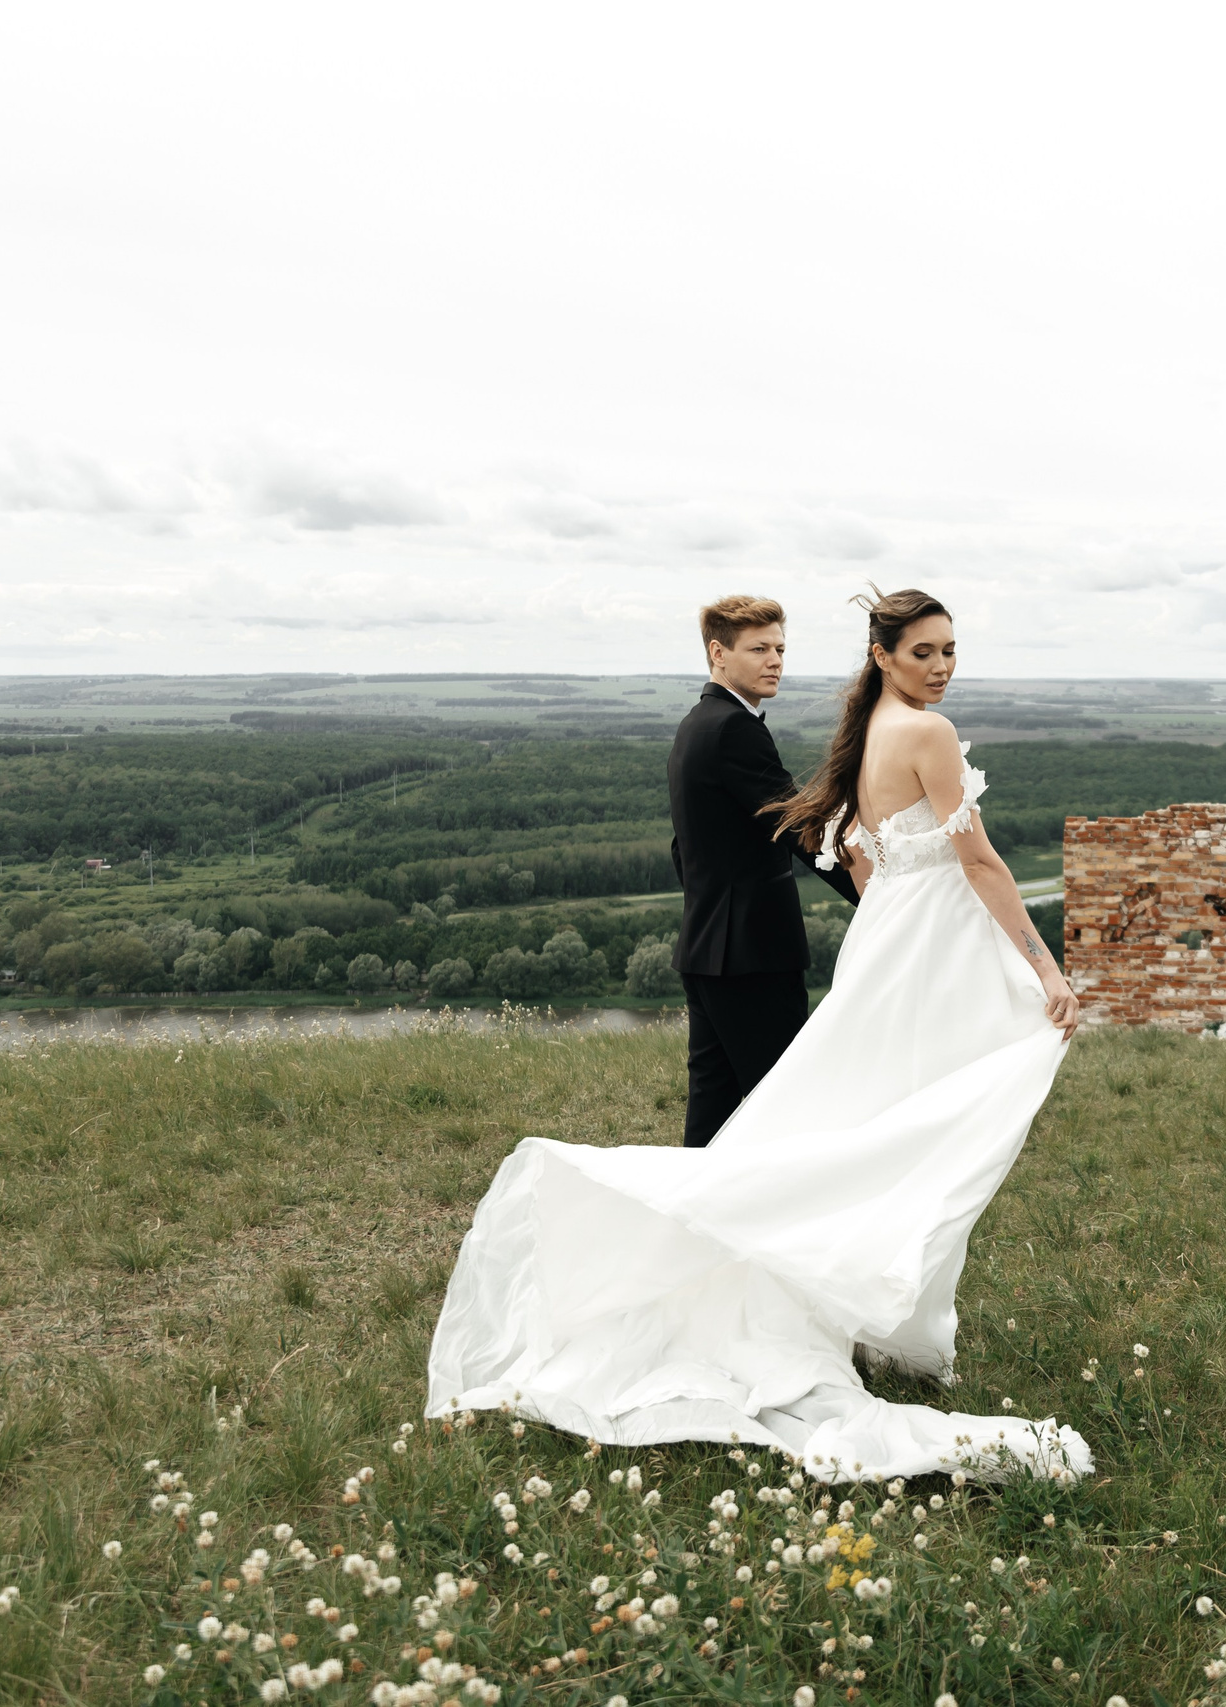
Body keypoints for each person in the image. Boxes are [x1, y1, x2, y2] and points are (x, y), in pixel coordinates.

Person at [425, 589, 1089, 1482]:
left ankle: (685, 1259)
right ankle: (737, 1274)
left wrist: (885, 899)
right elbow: (934, 852)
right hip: (766, 952)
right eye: (925, 651)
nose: (942, 666)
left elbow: (796, 835)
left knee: (737, 1134)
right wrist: (1035, 964)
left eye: (950, 651)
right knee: (802, 1139)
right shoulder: (822, 732)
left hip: (760, 944)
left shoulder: (806, 729)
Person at [666, 595, 859, 1148]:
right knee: (790, 1110)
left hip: (707, 950)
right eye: (759, 649)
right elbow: (800, 828)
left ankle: (687, 1222)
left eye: (779, 648)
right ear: (718, 653)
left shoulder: (695, 724)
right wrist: (875, 896)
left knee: (712, 1112)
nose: (775, 660)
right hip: (752, 956)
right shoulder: (734, 729)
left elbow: (685, 849)